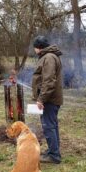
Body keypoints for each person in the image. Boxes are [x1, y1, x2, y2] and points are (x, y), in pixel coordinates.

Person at [31, 36, 63, 164]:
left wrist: (41, 99)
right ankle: (52, 151)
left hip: (49, 99)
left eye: (35, 47)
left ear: (39, 47)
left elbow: (49, 81)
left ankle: (54, 156)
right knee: (52, 125)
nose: (34, 50)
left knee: (48, 126)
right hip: (51, 98)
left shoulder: (48, 58)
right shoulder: (50, 56)